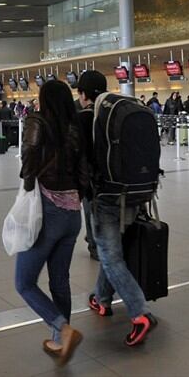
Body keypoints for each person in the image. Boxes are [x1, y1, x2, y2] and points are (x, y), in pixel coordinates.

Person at [16, 80, 88, 365]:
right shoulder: (76, 126)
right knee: (60, 280)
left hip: (47, 209)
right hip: (73, 212)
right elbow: (84, 168)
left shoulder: (37, 121)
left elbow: (28, 162)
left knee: (24, 282)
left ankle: (63, 328)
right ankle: (60, 342)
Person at [84, 85, 158, 349]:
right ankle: (101, 298)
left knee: (110, 255)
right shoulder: (127, 107)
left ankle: (140, 313)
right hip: (137, 192)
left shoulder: (91, 117)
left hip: (107, 196)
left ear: (84, 94)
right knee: (112, 252)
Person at [76, 71, 108, 261]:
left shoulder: (83, 118)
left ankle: (95, 245)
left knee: (91, 211)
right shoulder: (112, 113)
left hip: (93, 182)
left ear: (84, 95)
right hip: (116, 178)